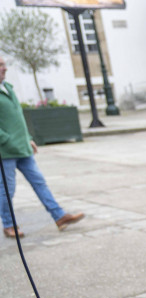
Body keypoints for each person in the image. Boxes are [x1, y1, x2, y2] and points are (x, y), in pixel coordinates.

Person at [0, 56, 84, 238]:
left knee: (39, 182)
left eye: (4, 64)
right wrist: (6, 140)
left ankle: (59, 216)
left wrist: (27, 138)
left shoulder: (7, 88)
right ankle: (8, 225)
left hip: (22, 148)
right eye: (0, 65)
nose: (5, 68)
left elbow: (17, 119)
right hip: (5, 152)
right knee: (7, 189)